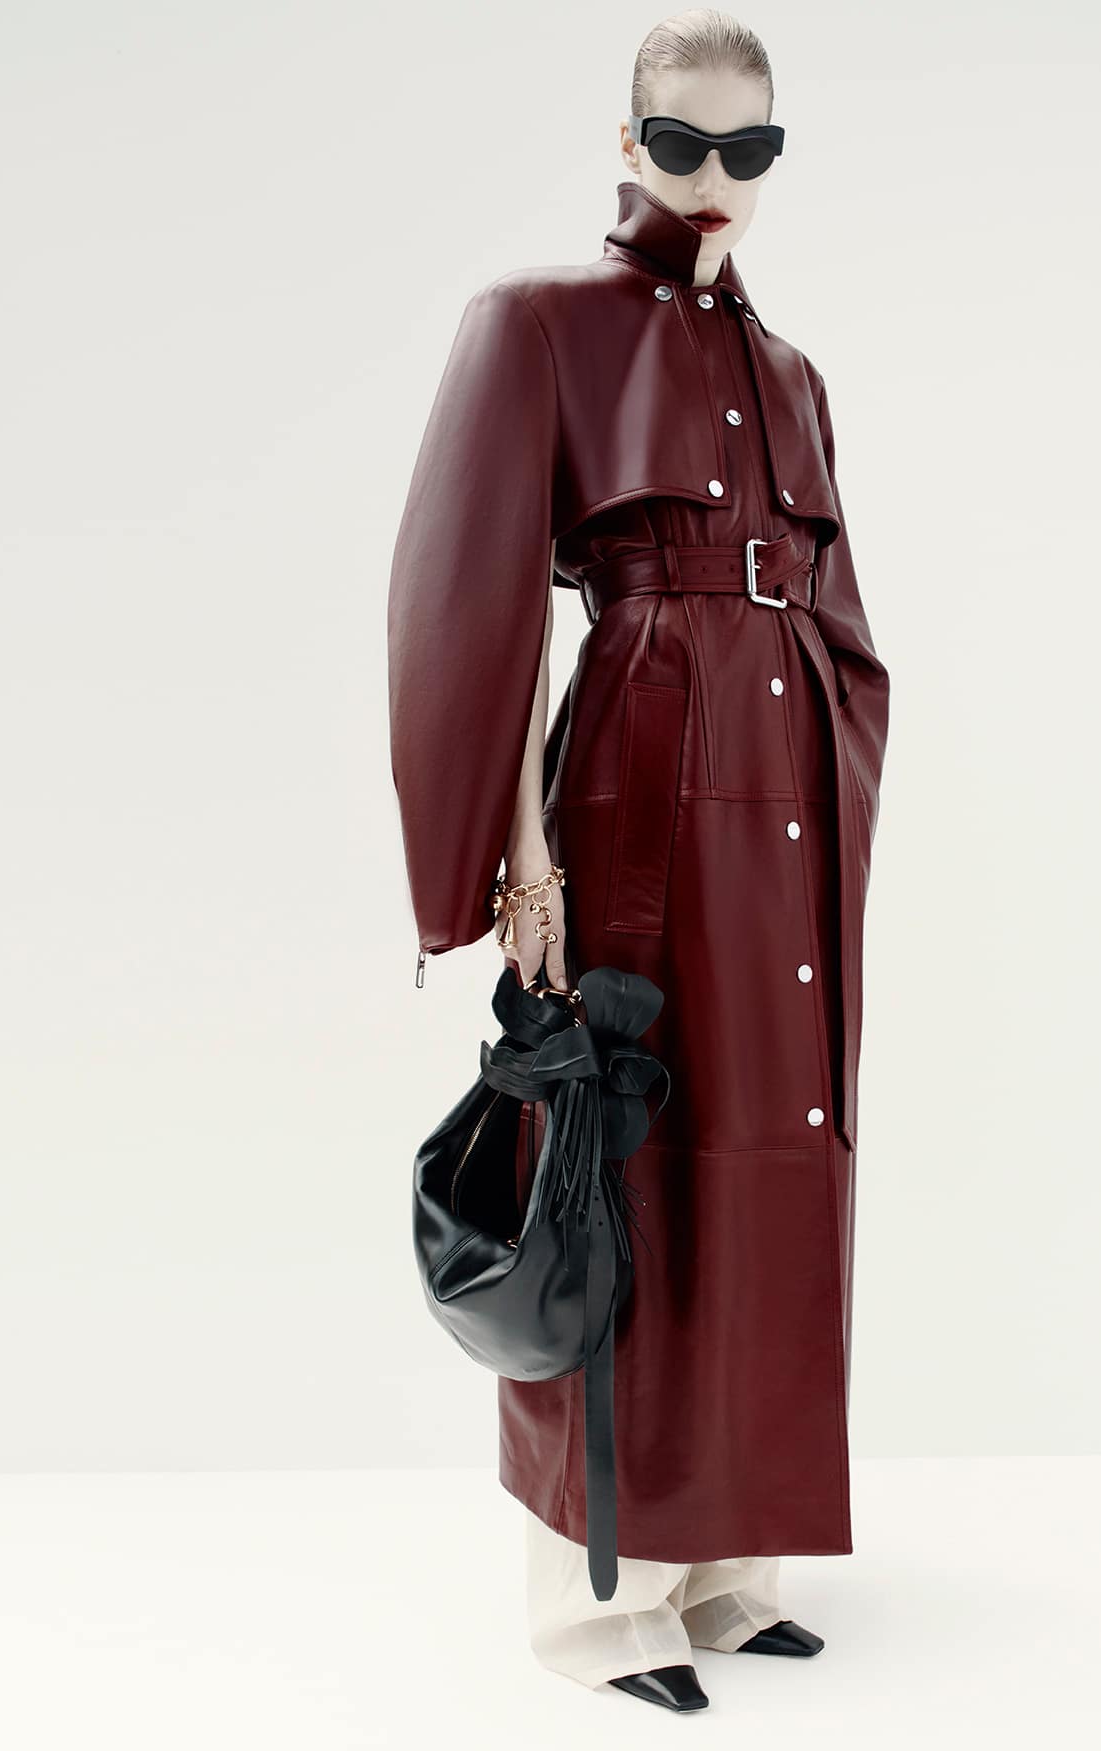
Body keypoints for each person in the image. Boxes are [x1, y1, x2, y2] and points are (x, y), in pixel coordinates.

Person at [387, 8, 889, 1712]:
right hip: (635, 799)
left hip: (787, 813)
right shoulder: (542, 323)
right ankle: (600, 1601)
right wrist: (513, 860)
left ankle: (729, 1566)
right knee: (615, 1159)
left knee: (767, 1156)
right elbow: (473, 612)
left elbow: (839, 618)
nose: (714, 177)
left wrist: (836, 802)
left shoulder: (793, 374)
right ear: (628, 144)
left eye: (751, 148)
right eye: (682, 142)